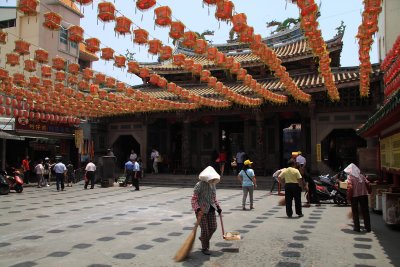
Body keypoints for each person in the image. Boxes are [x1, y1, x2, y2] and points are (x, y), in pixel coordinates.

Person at [191, 166, 222, 255]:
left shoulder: (213, 185)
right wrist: (197, 208)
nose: (212, 180)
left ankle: (203, 238)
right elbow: (194, 199)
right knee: (205, 229)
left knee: (213, 227)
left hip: (211, 209)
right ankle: (205, 247)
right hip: (201, 210)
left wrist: (218, 207)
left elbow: (213, 198)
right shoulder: (199, 185)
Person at [345, 163, 371, 232]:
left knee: (355, 212)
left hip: (354, 196)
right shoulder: (362, 176)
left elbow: (350, 188)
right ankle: (368, 227)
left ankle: (357, 227)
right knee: (365, 211)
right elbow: (368, 183)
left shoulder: (350, 177)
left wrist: (348, 197)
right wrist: (369, 191)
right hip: (364, 195)